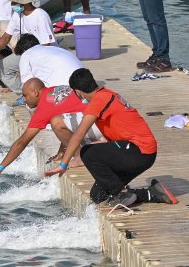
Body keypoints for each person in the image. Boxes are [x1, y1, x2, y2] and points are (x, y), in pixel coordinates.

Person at [45, 68, 177, 206]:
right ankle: (152, 193)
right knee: (98, 195)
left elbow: (78, 134)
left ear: (77, 92)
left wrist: (63, 165)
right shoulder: (106, 94)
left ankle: (121, 193)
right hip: (140, 153)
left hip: (140, 151)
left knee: (88, 152)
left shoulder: (99, 101)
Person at [0, 78, 103, 181]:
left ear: (35, 92)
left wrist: (0, 168)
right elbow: (69, 115)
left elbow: (22, 142)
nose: (24, 99)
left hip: (96, 123)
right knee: (61, 121)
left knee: (56, 122)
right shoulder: (56, 89)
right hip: (102, 119)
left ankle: (79, 157)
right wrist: (62, 151)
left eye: (25, 95)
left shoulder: (43, 107)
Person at [0, 0, 57, 75]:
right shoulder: (17, 14)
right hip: (27, 54)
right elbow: (6, 36)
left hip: (45, 56)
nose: (11, 3)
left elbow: (46, 45)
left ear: (23, 2)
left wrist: (30, 65)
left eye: (14, 1)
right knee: (3, 69)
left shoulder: (40, 16)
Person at [14, 33, 83, 88]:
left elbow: (27, 85)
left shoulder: (26, 54)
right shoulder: (55, 49)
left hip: (65, 90)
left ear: (24, 50)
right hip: (83, 83)